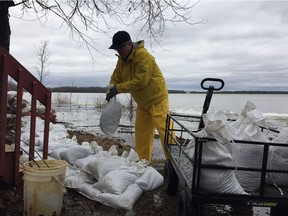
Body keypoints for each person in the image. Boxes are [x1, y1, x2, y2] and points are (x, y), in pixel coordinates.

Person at [106, 31, 170, 162]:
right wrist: (110, 89)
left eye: (120, 48)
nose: (119, 51)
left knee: (165, 132)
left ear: (129, 44)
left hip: (157, 98)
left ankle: (174, 162)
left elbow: (141, 81)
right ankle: (143, 163)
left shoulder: (143, 56)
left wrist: (118, 89)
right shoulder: (121, 61)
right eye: (116, 49)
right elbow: (116, 77)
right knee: (142, 134)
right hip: (142, 103)